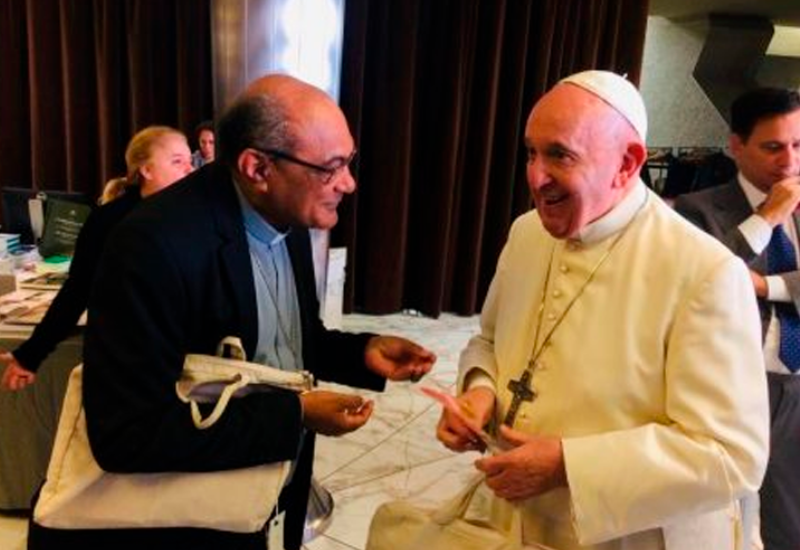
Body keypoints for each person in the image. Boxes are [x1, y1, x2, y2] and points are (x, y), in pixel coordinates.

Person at [27, 74, 436, 550]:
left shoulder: (288, 216)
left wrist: (362, 353)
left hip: (266, 500)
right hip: (181, 523)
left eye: (349, 161)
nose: (348, 182)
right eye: (331, 167)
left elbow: (284, 341)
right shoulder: (151, 244)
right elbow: (127, 434)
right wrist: (295, 414)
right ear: (257, 167)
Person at [435, 70, 770, 550]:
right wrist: (480, 391)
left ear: (627, 163)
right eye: (531, 152)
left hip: (629, 535)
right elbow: (489, 341)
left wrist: (567, 466)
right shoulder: (526, 234)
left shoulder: (706, 271)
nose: (535, 176)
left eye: (559, 155)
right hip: (514, 522)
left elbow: (732, 456)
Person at [674, 87, 800, 550]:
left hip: (797, 379)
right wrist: (767, 218)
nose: (789, 161)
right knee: (729, 516)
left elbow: (746, 282)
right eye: (773, 147)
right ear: (736, 146)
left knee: (792, 519)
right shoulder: (697, 210)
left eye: (798, 145)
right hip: (741, 382)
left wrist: (767, 286)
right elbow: (704, 283)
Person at [0, 126, 193, 391]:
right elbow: (77, 291)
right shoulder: (109, 221)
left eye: (189, 161)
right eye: (177, 161)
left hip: (188, 363)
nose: (190, 170)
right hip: (128, 368)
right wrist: (31, 355)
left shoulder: (196, 218)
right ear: (146, 170)